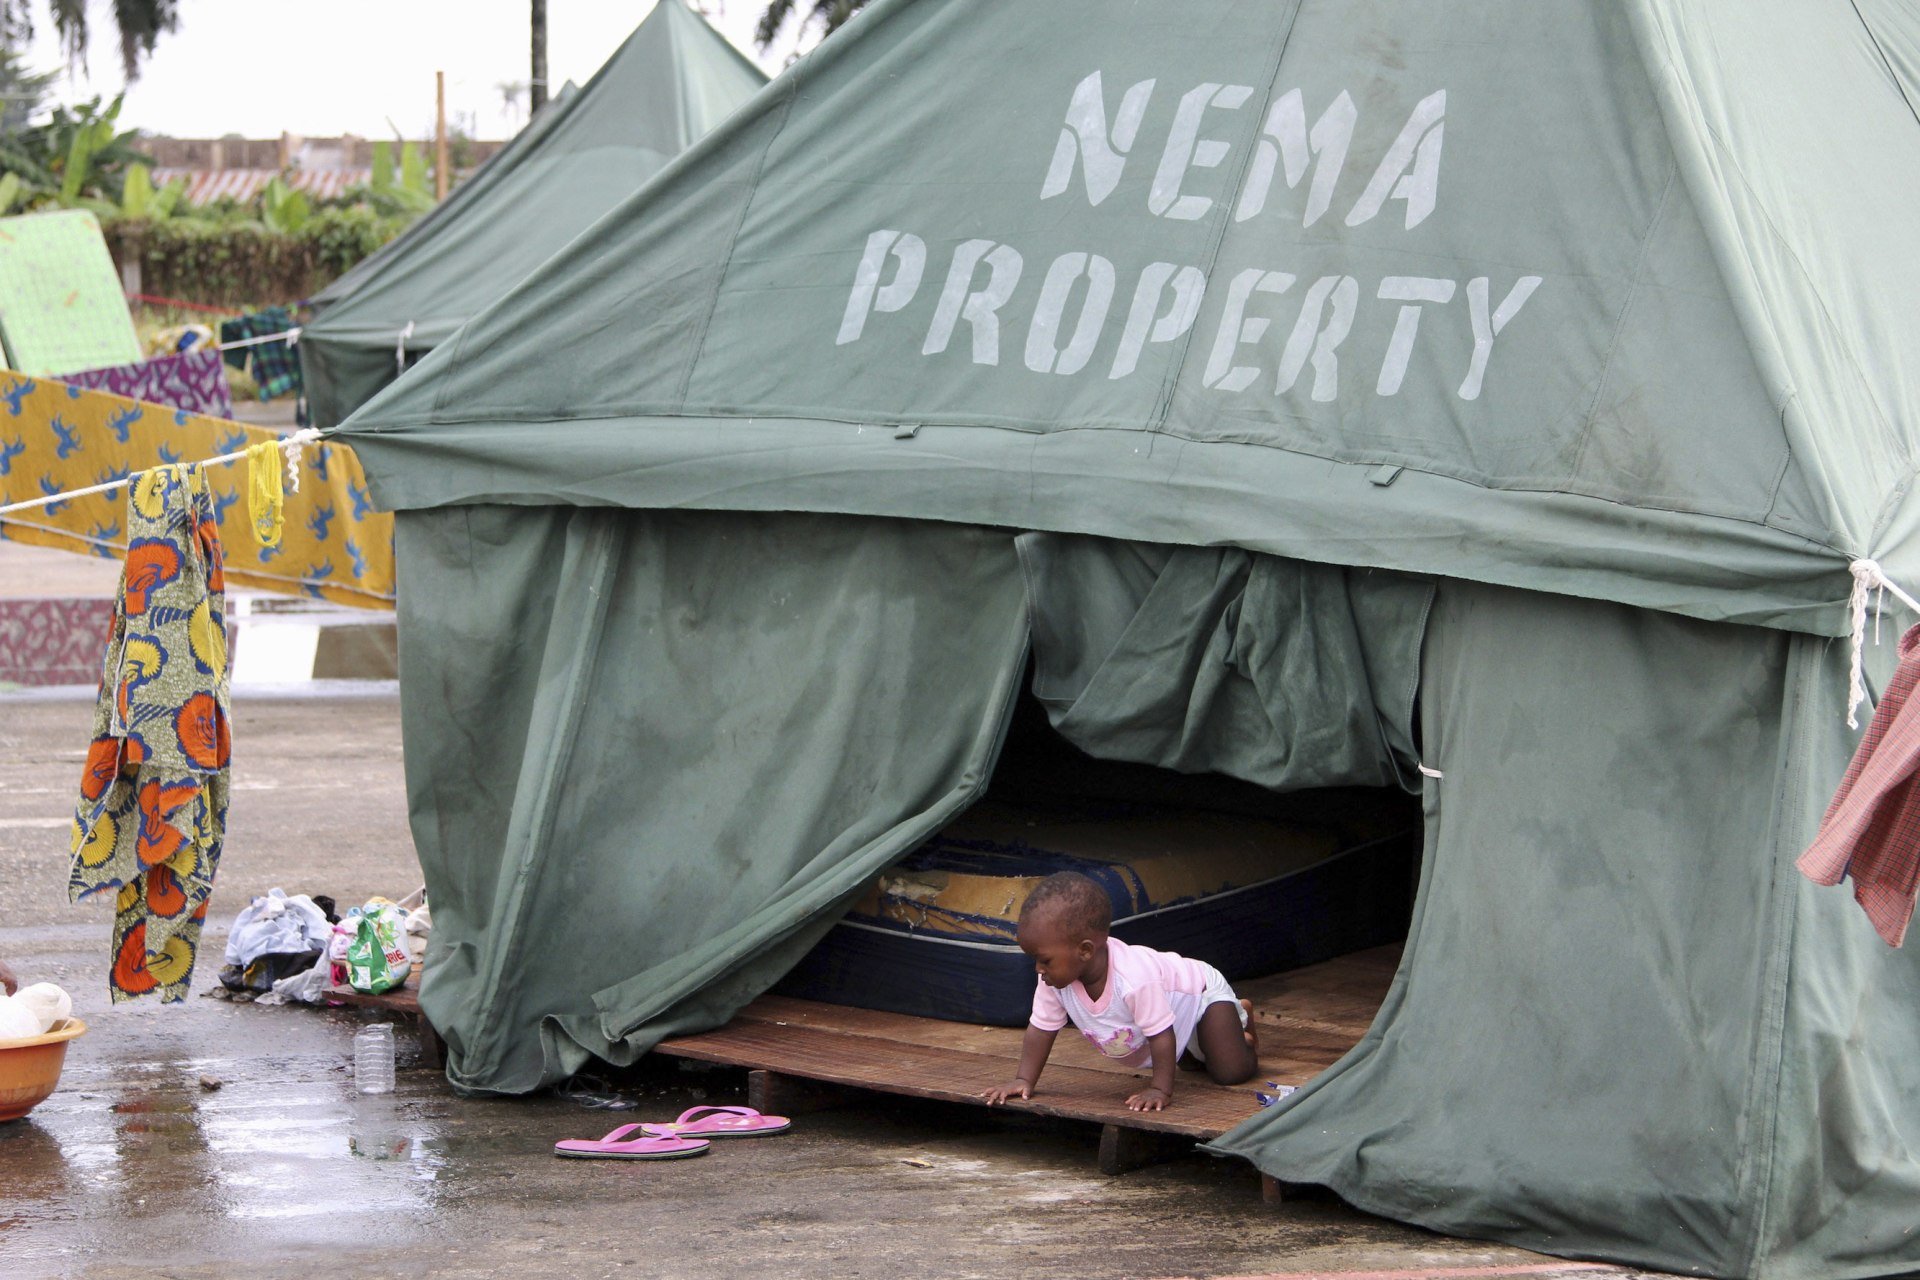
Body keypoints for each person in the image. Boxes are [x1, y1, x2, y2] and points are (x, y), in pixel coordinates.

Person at [982, 871, 1259, 1112]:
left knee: (1229, 1073)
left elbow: (1161, 1035)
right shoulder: (1055, 981)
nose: (1038, 970)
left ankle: (1239, 1023)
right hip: (1171, 1015)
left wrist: (1160, 1090)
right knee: (1193, 1065)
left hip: (1201, 995)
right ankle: (1222, 1035)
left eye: (1045, 960)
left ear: (1085, 951)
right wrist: (1024, 1080)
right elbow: (1040, 1029)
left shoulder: (1134, 978)